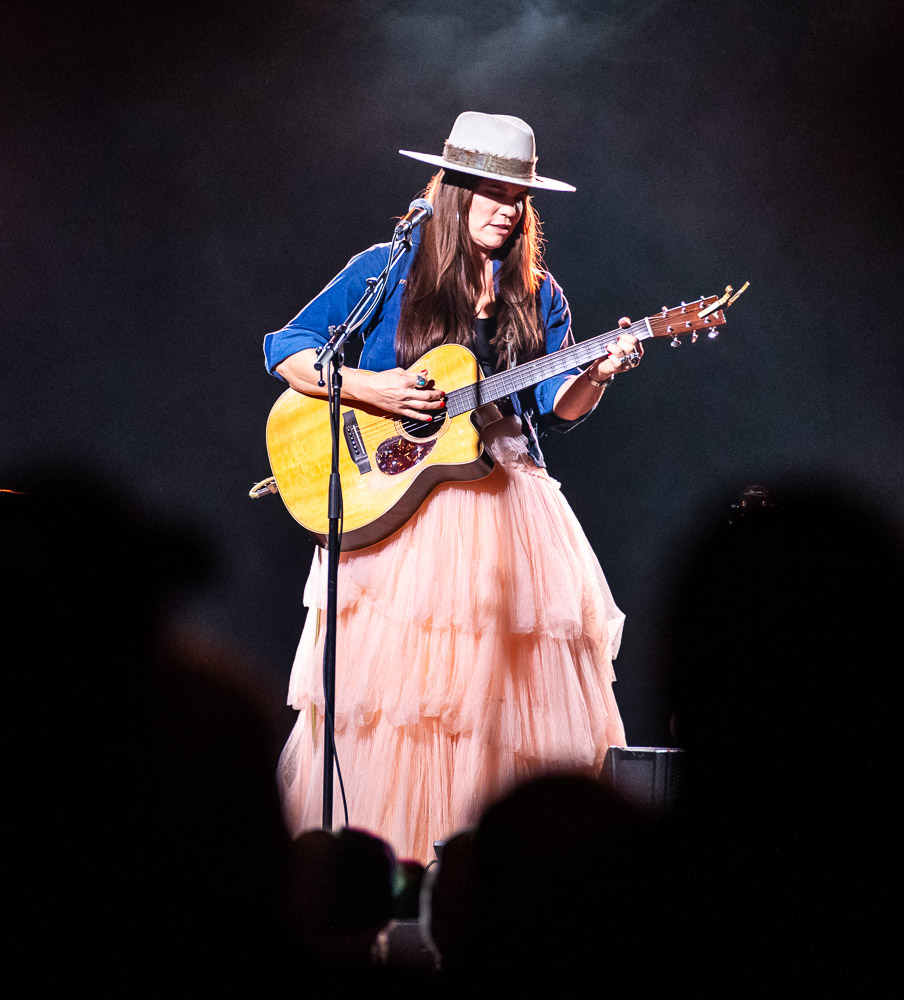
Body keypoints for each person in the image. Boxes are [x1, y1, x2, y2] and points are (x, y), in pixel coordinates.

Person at [262, 112, 638, 861]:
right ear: (452, 190)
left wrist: (594, 374)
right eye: (489, 191)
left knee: (498, 704)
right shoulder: (388, 266)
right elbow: (291, 351)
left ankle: (491, 879)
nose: (505, 209)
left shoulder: (540, 292)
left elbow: (557, 406)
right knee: (401, 706)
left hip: (507, 506)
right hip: (399, 512)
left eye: (518, 196)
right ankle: (378, 881)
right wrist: (376, 390)